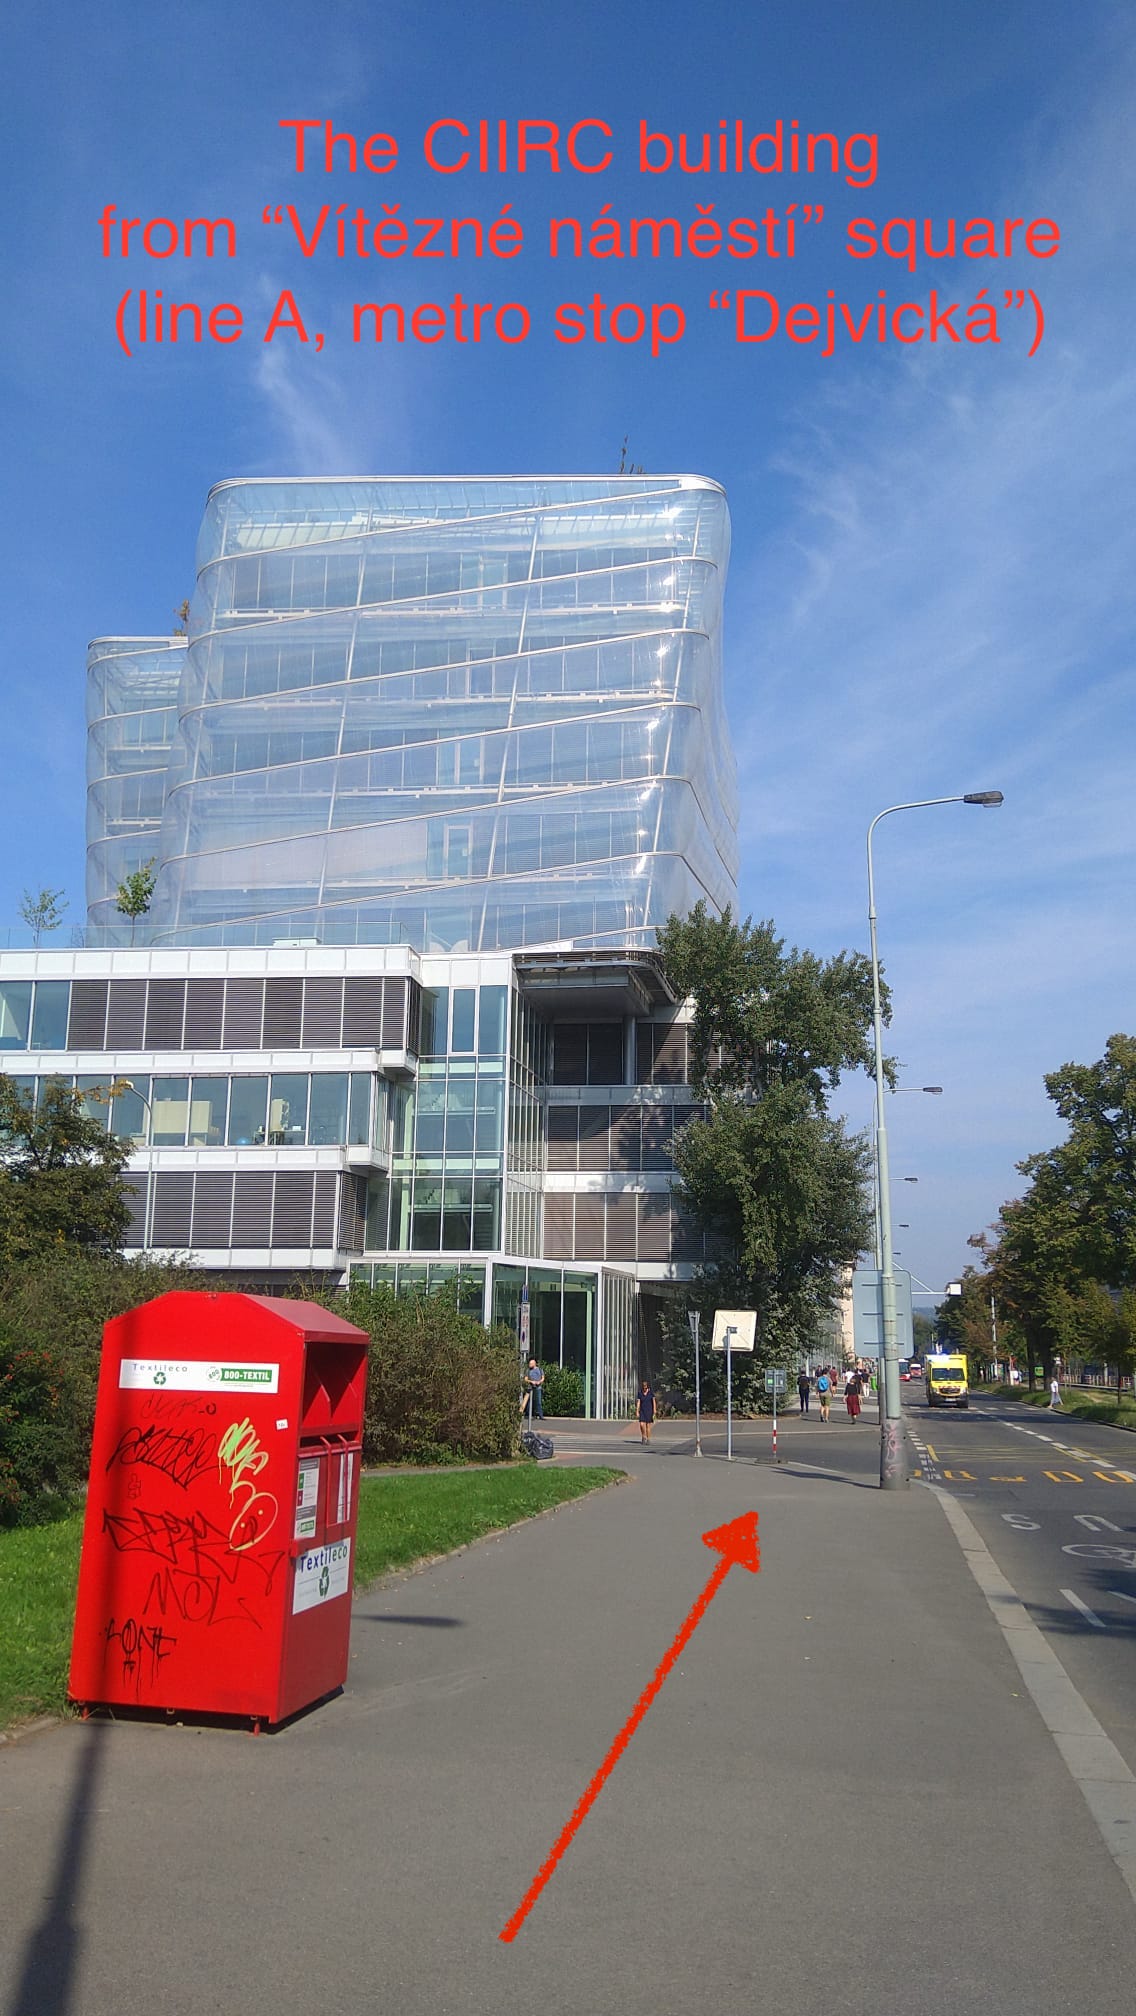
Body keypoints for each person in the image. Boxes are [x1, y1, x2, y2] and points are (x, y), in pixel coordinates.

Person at [636, 1379, 656, 1444]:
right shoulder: (640, 1393)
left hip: (649, 1410)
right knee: (641, 1424)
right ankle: (643, 1436)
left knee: (648, 1425)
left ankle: (648, 1439)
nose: (644, 1388)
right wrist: (637, 1411)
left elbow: (653, 1401)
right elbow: (639, 1402)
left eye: (646, 1387)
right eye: (643, 1387)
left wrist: (654, 1409)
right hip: (642, 1410)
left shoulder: (651, 1393)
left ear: (647, 1387)